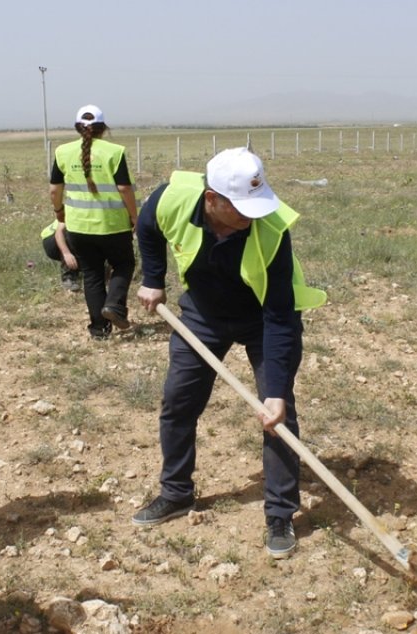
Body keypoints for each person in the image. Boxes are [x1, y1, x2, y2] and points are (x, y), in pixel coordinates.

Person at [130, 147, 327, 560]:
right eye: (240, 208)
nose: (251, 216)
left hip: (262, 320)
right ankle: (177, 492)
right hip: (202, 314)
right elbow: (147, 226)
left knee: (278, 415)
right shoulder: (172, 200)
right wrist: (152, 278)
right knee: (178, 402)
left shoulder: (272, 230)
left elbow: (278, 316)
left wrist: (275, 390)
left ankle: (279, 513)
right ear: (211, 200)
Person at [48, 104, 139, 339]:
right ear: (102, 127)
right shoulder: (114, 151)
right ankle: (114, 306)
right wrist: (134, 216)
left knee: (92, 275)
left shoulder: (63, 152)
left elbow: (54, 189)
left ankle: (99, 330)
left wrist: (59, 211)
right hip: (113, 225)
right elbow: (124, 188)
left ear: (78, 127)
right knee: (124, 264)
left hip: (78, 227)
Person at [37, 220, 82, 292]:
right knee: (71, 233)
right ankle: (68, 278)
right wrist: (66, 254)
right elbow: (59, 232)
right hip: (53, 238)